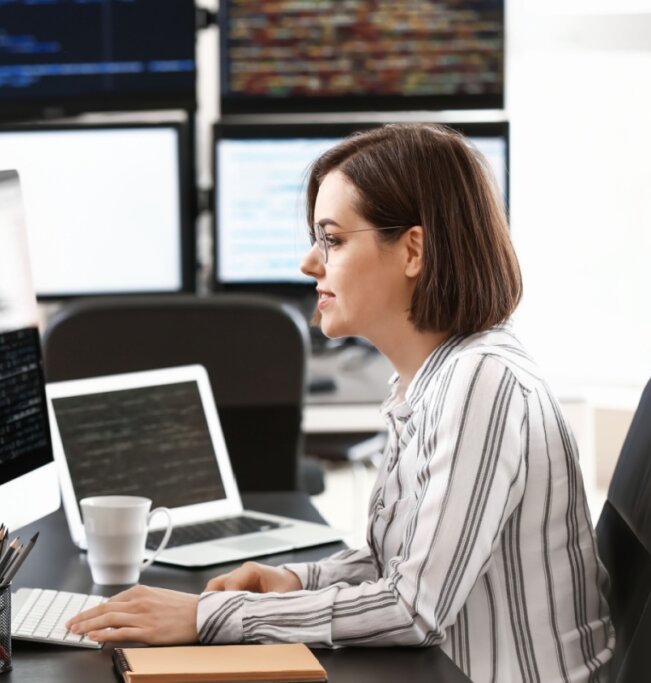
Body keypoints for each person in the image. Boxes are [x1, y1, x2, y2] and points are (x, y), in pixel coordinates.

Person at [65, 123, 614, 683]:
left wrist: (208, 616)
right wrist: (299, 580)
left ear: (412, 250)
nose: (310, 264)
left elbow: (412, 609)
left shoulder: (483, 382)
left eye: (332, 239)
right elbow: (400, 563)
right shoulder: (430, 379)